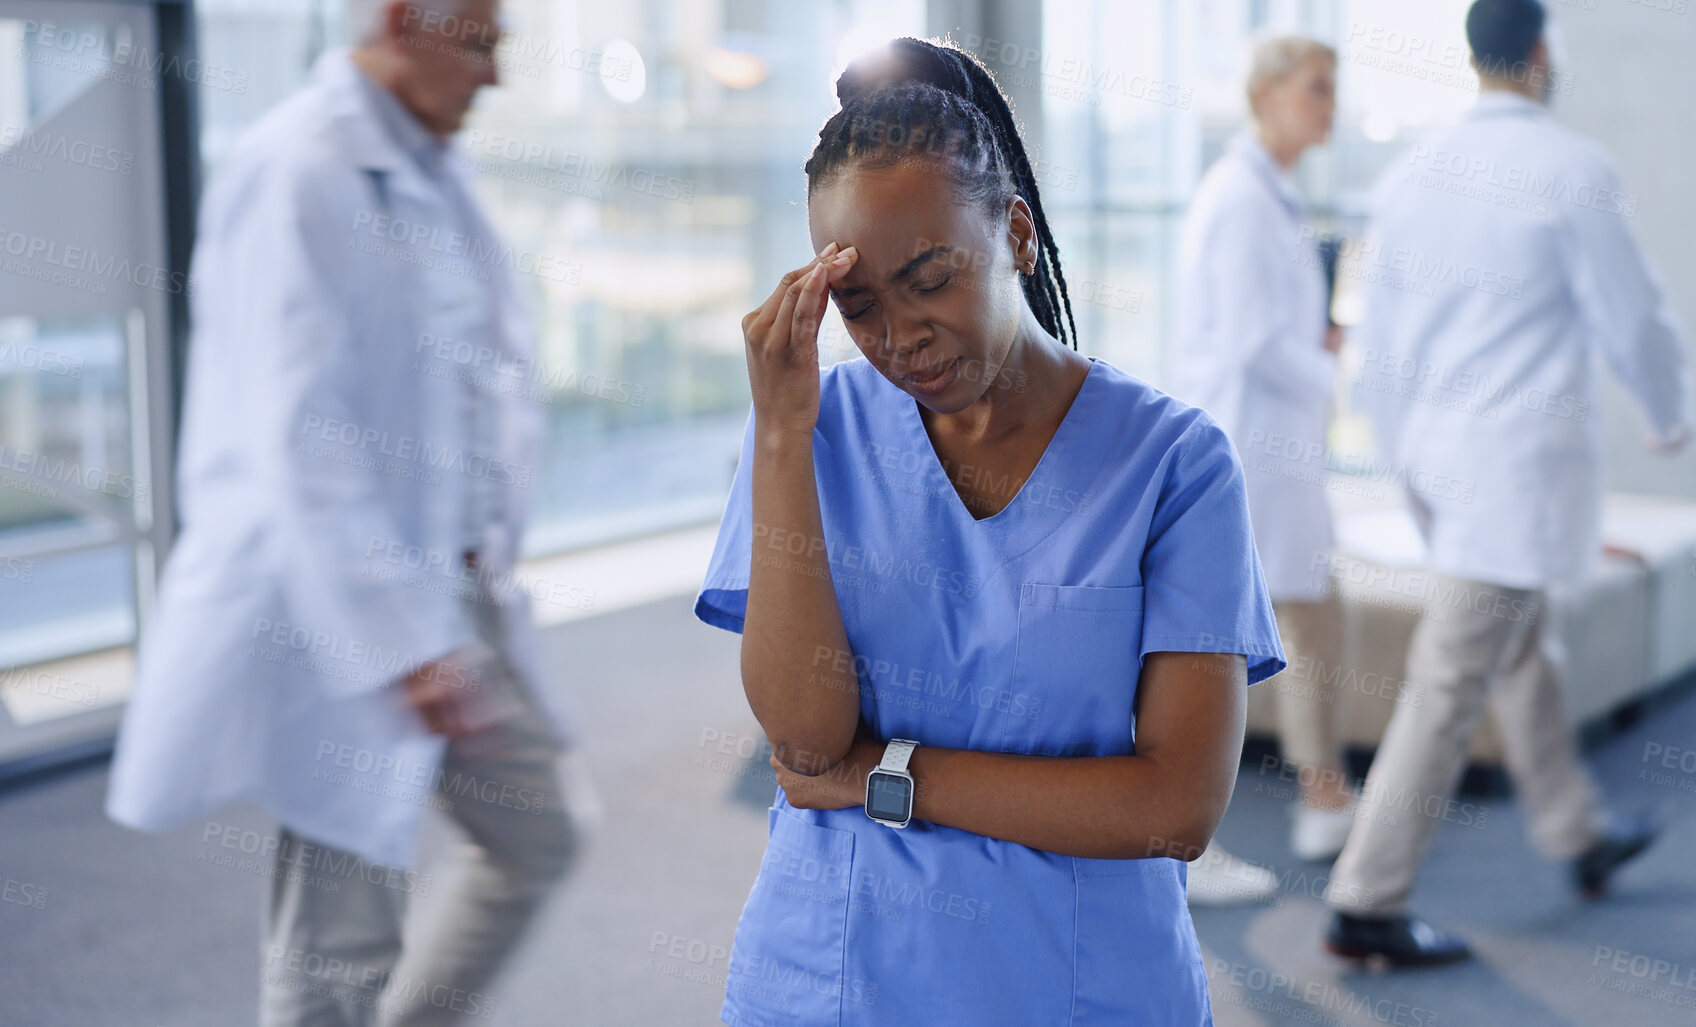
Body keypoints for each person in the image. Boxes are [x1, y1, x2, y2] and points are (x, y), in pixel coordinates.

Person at [694, 37, 1285, 1026]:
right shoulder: (812, 430)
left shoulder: (1172, 463)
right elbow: (803, 742)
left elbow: (1175, 807)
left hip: (1081, 990)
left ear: (1013, 233)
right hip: (832, 982)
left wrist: (886, 776)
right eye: (861, 303)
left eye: (931, 277)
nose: (900, 335)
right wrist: (785, 433)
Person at [105, 1, 592, 1021]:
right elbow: (298, 431)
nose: (495, 78)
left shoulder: (428, 168)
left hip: (454, 587)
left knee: (539, 833)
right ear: (404, 21)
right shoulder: (302, 168)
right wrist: (398, 641)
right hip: (339, 605)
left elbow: (470, 378)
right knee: (340, 934)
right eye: (481, 47)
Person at [1321, 0, 1691, 966]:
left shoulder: (1411, 173)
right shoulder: (1571, 168)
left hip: (1439, 463)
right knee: (1447, 685)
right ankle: (1365, 899)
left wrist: (1400, 464)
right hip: (1515, 473)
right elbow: (1632, 313)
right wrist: (1665, 411)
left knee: (1525, 652)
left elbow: (1384, 344)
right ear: (1537, 54)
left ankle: (1577, 830)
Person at [1169, 36, 1359, 907]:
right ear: (1269, 94)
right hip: (1247, 446)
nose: (1328, 104)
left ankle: (1321, 792)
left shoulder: (1268, 195)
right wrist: (1325, 365)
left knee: (1307, 614)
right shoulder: (1241, 199)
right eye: (1315, 89)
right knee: (1216, 637)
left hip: (1274, 447)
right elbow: (1250, 339)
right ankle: (1186, 835)